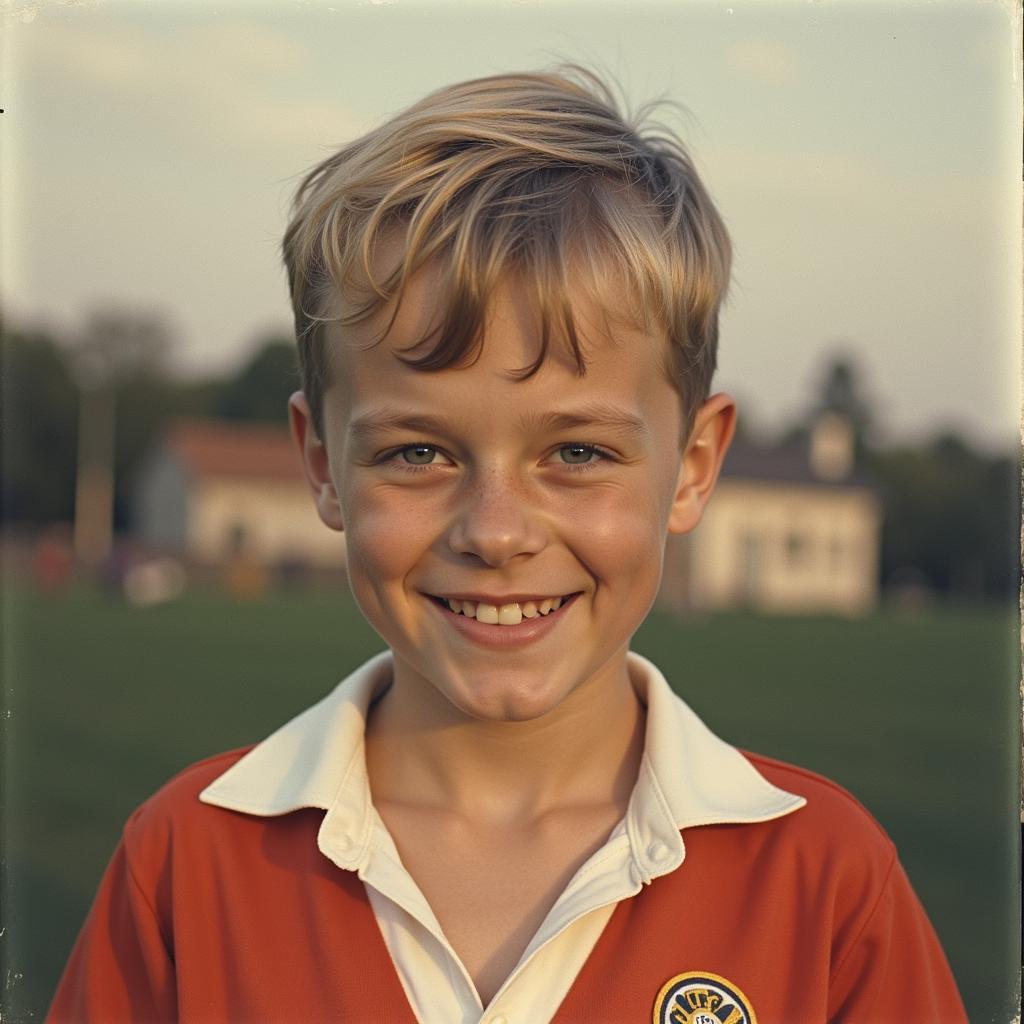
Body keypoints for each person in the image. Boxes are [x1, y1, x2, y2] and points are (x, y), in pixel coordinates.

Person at [48, 65, 967, 1024]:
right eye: (416, 452)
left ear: (693, 465)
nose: (495, 531)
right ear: (321, 464)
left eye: (577, 451)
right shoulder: (184, 868)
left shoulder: (824, 885)